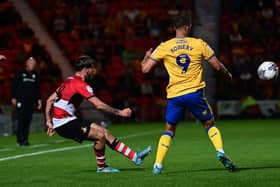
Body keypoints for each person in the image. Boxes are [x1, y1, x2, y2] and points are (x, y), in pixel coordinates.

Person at [141, 14, 236, 174]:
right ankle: (220, 151)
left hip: (174, 96)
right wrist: (227, 72)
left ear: (174, 28)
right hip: (194, 93)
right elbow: (217, 66)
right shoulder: (199, 44)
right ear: (188, 27)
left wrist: (145, 58)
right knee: (209, 123)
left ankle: (157, 165)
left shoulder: (165, 46)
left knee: (169, 129)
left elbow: (145, 69)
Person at [45, 55, 152, 173]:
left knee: (105, 132)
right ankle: (102, 167)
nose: (94, 70)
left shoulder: (69, 80)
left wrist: (49, 121)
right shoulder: (80, 84)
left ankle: (135, 156)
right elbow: (99, 105)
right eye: (92, 68)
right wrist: (120, 112)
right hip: (64, 123)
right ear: (86, 69)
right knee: (99, 136)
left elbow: (49, 100)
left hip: (67, 120)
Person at [11, 57, 42, 146]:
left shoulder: (35, 75)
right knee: (21, 120)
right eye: (31, 63)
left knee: (28, 121)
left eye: (34, 64)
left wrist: (38, 100)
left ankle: (25, 139)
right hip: (21, 101)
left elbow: (37, 89)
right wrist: (14, 97)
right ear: (27, 63)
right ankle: (19, 140)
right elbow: (14, 85)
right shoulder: (20, 73)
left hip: (30, 102)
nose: (32, 65)